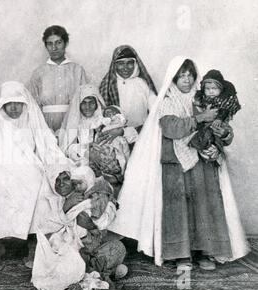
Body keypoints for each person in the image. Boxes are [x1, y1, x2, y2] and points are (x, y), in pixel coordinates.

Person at [108, 56, 250, 270]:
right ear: (173, 78)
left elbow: (223, 129)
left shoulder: (204, 100)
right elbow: (172, 129)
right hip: (174, 163)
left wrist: (220, 141)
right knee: (177, 209)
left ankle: (204, 252)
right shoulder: (166, 101)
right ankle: (180, 255)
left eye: (190, 75)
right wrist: (200, 119)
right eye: (181, 75)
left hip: (201, 162)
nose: (186, 79)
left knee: (202, 206)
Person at [0, 81, 72, 273]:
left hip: (30, 172)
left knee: (40, 194)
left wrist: (61, 167)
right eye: (9, 103)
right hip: (1, 174)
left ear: (25, 104)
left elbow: (48, 147)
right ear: (2, 105)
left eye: (18, 103)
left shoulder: (33, 123)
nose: (14, 108)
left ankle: (34, 244)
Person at [59, 84, 133, 196]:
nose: (87, 107)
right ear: (78, 105)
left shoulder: (105, 119)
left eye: (91, 102)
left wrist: (120, 131)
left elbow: (132, 133)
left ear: (97, 103)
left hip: (110, 165)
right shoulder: (75, 123)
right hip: (85, 164)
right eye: (84, 103)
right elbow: (67, 148)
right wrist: (87, 149)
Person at [28, 25, 89, 135]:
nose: (54, 48)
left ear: (66, 43)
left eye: (58, 42)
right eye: (50, 44)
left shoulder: (77, 70)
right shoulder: (38, 73)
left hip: (73, 123)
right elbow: (33, 105)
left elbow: (86, 100)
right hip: (45, 125)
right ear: (46, 46)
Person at [99, 45, 157, 137]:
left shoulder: (142, 83)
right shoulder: (108, 85)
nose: (125, 68)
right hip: (116, 135)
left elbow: (155, 108)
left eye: (129, 63)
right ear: (115, 65)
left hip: (142, 134)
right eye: (121, 63)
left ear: (135, 64)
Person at [189, 69, 242, 160]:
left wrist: (220, 122)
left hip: (217, 125)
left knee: (214, 136)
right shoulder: (201, 99)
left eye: (214, 89)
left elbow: (224, 112)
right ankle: (204, 147)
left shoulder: (222, 102)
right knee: (201, 135)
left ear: (220, 89)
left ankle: (213, 149)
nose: (211, 91)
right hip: (201, 129)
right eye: (207, 89)